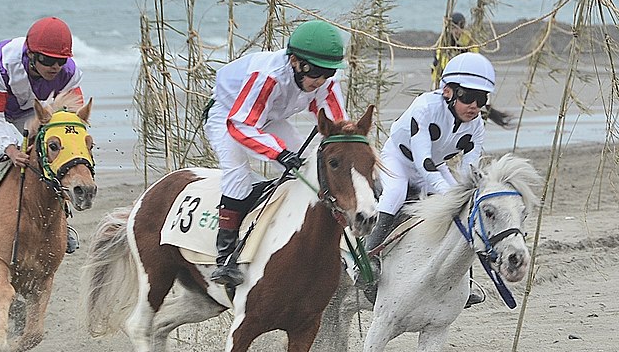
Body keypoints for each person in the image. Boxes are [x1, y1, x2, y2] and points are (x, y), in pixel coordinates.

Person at [204, 19, 348, 288]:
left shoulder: (325, 80)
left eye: (327, 73)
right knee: (238, 176)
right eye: (315, 72)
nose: (320, 81)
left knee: (307, 170)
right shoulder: (268, 76)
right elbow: (241, 125)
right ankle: (225, 259)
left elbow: (336, 123)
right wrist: (279, 154)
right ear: (295, 62)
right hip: (229, 115)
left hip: (268, 116)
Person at [363, 51, 496, 306]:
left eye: (481, 99)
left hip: (435, 166)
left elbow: (469, 171)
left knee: (464, 206)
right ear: (448, 92)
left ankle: (466, 281)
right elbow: (422, 160)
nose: (475, 106)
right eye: (468, 97)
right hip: (400, 160)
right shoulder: (425, 107)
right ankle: (368, 257)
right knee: (395, 193)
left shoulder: (477, 124)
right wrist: (450, 195)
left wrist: (463, 196)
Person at [0, 16, 85, 255]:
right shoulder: (2, 64)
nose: (55, 67)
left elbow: (69, 116)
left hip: (31, 107)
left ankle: (65, 222)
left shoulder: (69, 74)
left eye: (61, 61)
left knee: (51, 158)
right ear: (31, 55)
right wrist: (10, 149)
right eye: (47, 60)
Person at [430, 12, 477, 87]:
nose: (457, 31)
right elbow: (440, 59)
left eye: (460, 27)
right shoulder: (444, 40)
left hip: (464, 75)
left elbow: (475, 56)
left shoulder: (469, 39)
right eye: (454, 28)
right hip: (442, 76)